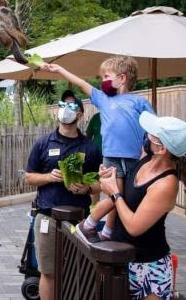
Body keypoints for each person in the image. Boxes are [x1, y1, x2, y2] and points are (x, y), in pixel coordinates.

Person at [40, 56, 153, 242]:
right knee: (116, 195)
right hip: (112, 158)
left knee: (124, 198)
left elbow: (152, 128)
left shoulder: (139, 102)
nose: (103, 81)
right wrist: (59, 70)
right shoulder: (103, 99)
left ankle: (108, 232)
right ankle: (89, 225)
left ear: (122, 78)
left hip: (134, 159)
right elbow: (81, 83)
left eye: (107, 76)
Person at [100, 111, 186, 300]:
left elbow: (135, 226)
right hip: (121, 257)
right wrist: (109, 178)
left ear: (162, 149)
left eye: (152, 135)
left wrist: (115, 193)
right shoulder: (147, 157)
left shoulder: (166, 183)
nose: (147, 136)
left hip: (149, 268)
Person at [24, 90, 102, 300]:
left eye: (72, 106)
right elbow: (29, 177)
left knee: (78, 271)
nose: (66, 110)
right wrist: (49, 177)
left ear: (81, 114)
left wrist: (86, 188)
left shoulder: (90, 147)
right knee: (48, 271)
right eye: (62, 105)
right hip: (47, 217)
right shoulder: (43, 143)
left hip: (79, 220)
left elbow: (100, 183)